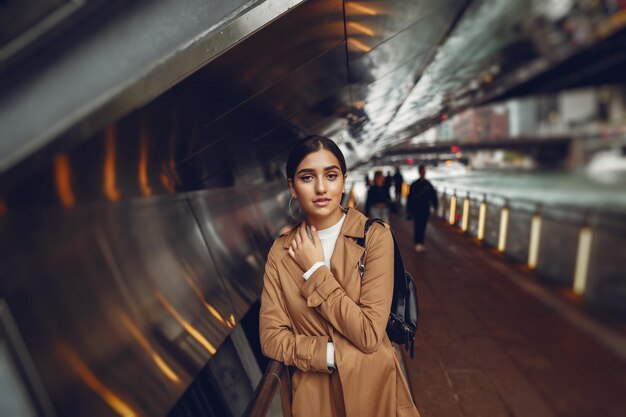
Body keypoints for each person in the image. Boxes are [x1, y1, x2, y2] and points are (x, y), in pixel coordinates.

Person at [260, 135, 420, 417]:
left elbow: (370, 334)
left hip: (375, 392)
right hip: (313, 399)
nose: (321, 188)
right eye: (307, 178)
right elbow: (271, 338)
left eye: (331, 176)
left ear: (344, 181)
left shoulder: (374, 237)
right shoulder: (281, 252)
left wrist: (315, 270)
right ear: (292, 187)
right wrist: (332, 355)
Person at [406, 165, 438, 253]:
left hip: (424, 209)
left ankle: (421, 243)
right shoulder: (426, 184)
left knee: (422, 226)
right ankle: (417, 243)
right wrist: (409, 209)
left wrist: (435, 207)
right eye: (422, 171)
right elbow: (410, 198)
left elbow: (433, 196)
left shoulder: (418, 184)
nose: (423, 173)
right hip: (418, 209)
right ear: (420, 172)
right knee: (418, 225)